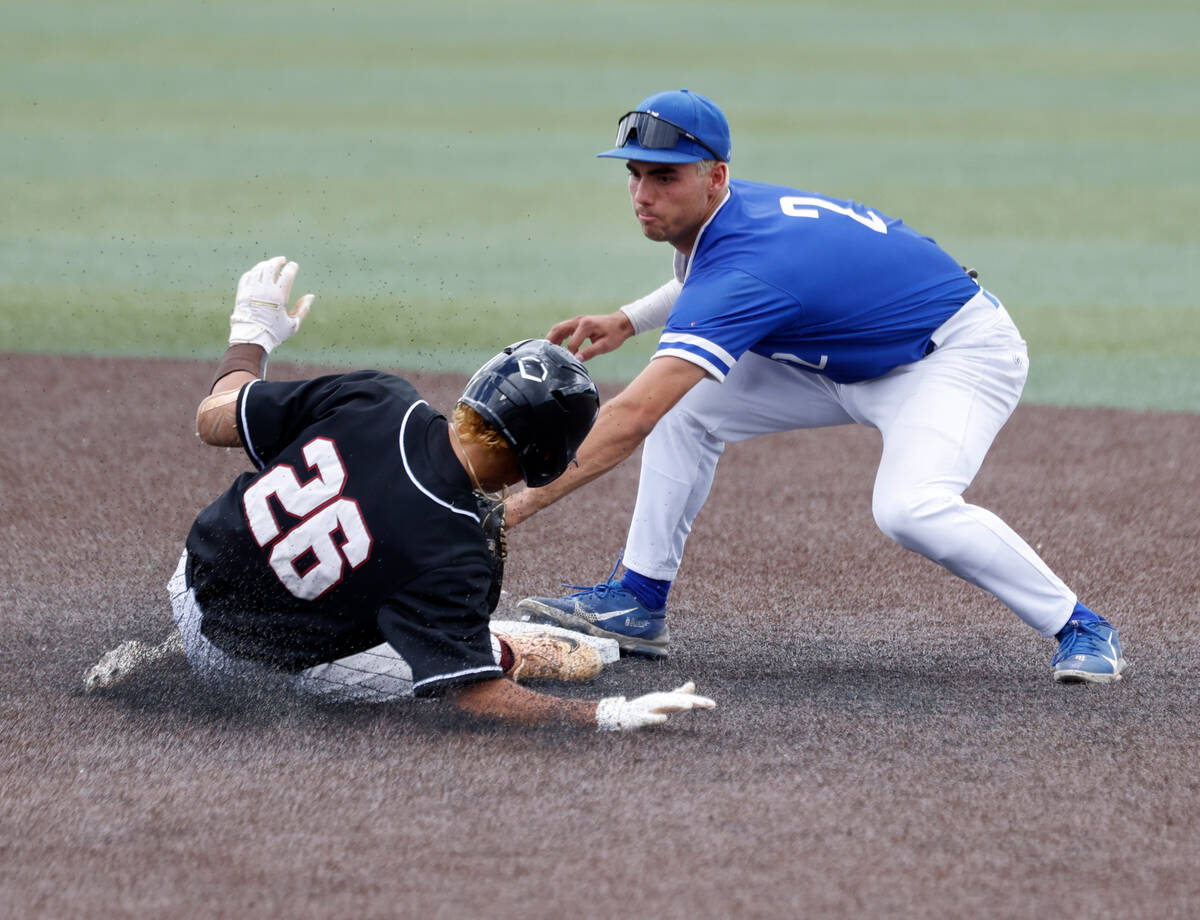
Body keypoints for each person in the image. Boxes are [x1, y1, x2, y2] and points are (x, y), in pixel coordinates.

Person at [510, 89, 1126, 684]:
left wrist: (513, 508)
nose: (643, 195)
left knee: (910, 509)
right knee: (687, 404)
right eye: (636, 173)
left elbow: (637, 409)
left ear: (714, 177)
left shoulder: (751, 262)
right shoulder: (733, 219)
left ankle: (1082, 625)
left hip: (953, 358)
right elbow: (709, 285)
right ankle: (637, 600)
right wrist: (629, 319)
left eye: (664, 177)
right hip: (845, 357)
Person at [103, 255, 717, 731]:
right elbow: (476, 697)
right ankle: (507, 647)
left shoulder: (376, 396)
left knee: (404, 597)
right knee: (488, 655)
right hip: (250, 672)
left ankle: (179, 649)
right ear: (545, 460)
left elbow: (213, 419)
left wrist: (252, 334)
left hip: (189, 584)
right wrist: (603, 717)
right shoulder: (456, 548)